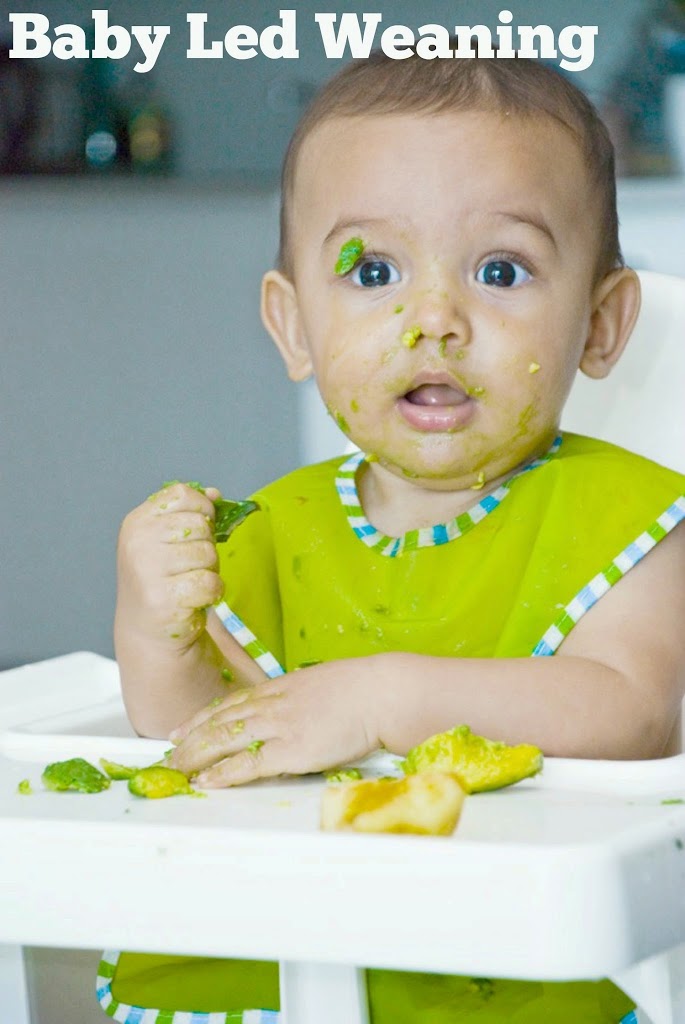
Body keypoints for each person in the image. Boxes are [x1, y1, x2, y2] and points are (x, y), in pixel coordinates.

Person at [103, 49, 685, 1024]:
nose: (433, 319)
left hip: (513, 959)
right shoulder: (272, 526)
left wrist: (383, 697)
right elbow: (190, 737)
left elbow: (629, 712)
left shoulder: (633, 520)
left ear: (597, 321)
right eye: (371, 270)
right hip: (296, 950)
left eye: (499, 270)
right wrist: (148, 628)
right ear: (293, 327)